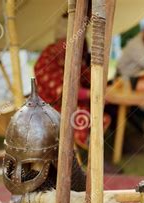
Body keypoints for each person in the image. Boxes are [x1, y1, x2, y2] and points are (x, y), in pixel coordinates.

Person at [34, 13, 110, 150]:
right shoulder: (45, 61)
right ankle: (86, 153)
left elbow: (86, 76)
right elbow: (66, 92)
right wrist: (92, 94)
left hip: (74, 105)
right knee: (85, 116)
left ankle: (95, 152)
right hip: (51, 110)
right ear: (62, 41)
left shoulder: (71, 56)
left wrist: (102, 84)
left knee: (103, 113)